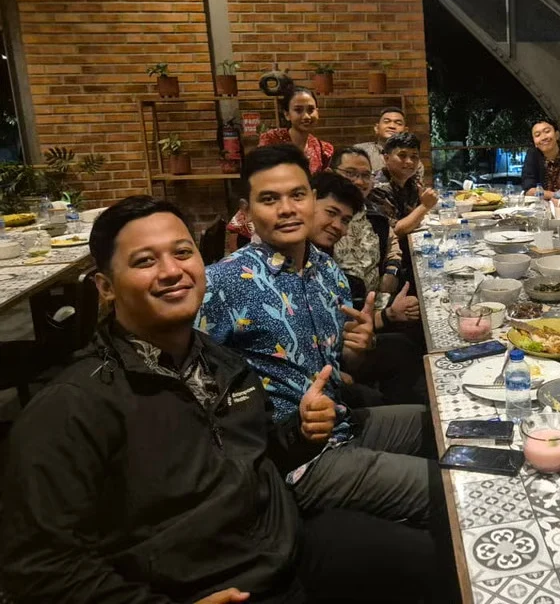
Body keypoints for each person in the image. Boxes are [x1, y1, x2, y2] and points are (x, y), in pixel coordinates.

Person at [0, 195, 441, 604]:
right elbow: (38, 570)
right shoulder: (71, 407)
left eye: (182, 252)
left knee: (443, 557)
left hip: (285, 546)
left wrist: (303, 432)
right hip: (205, 586)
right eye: (145, 261)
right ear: (106, 287)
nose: (171, 271)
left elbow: (259, 453)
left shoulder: (221, 360)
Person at [197, 145, 442, 528]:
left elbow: (344, 364)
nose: (287, 209)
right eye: (269, 199)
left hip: (342, 423)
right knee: (450, 490)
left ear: (311, 198)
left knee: (446, 425)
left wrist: (360, 345)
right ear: (247, 211)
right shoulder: (221, 284)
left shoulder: (327, 271)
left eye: (297, 195)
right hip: (296, 462)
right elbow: (194, 397)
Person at [307, 171, 425, 405]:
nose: (338, 226)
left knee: (407, 344)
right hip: (313, 387)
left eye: (345, 220)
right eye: (331, 213)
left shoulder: (325, 264)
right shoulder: (262, 267)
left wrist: (385, 316)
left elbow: (348, 330)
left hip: (336, 357)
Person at [227, 86, 335, 244]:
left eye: (311, 110)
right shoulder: (272, 139)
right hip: (267, 214)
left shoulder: (324, 149)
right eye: (298, 110)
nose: (306, 116)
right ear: (287, 114)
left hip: (297, 217)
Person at [330, 146, 405, 308]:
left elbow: (393, 246)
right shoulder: (321, 220)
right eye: (350, 173)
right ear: (330, 174)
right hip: (338, 309)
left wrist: (392, 270)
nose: (359, 181)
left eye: (365, 175)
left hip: (377, 304)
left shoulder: (375, 216)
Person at [368, 132, 438, 240]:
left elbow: (413, 217)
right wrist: (425, 206)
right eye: (402, 155)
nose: (409, 161)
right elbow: (394, 232)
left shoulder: (412, 181)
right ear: (386, 158)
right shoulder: (377, 187)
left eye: (414, 156)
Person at [353, 107, 424, 179]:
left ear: (405, 131)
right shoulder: (359, 151)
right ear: (377, 128)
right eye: (386, 122)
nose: (392, 126)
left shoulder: (413, 163)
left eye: (398, 123)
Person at [520, 117, 560, 199]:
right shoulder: (532, 155)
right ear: (534, 142)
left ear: (557, 135)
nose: (543, 137)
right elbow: (528, 189)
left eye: (547, 131)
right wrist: (556, 196)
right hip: (541, 204)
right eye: (537, 135)